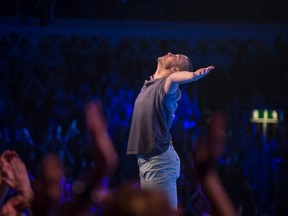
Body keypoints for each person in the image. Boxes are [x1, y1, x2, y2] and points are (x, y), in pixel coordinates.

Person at [127, 52, 215, 209]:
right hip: (146, 162)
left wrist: (194, 75)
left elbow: (174, 79)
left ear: (175, 69)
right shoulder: (150, 85)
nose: (169, 53)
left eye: (175, 56)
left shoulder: (168, 87)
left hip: (159, 162)